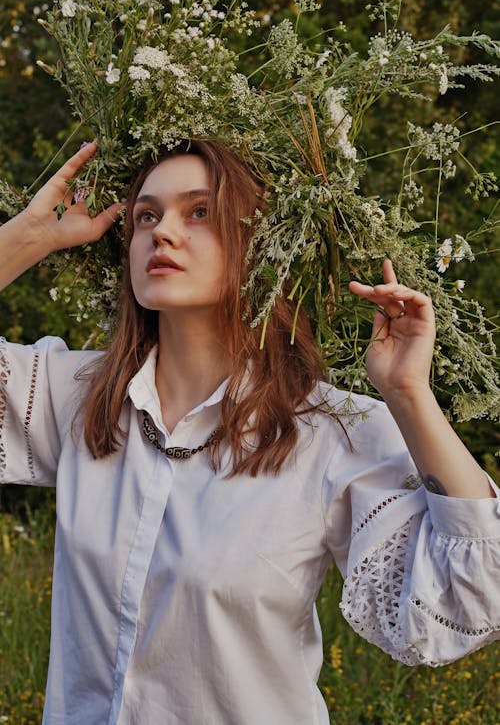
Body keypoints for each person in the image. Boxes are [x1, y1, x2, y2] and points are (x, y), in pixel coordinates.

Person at [0, 139, 498, 725]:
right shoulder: (78, 396)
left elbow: (473, 597)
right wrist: (32, 234)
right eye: (146, 215)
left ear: (260, 247)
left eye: (200, 212)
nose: (163, 232)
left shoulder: (328, 431)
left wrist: (409, 392)